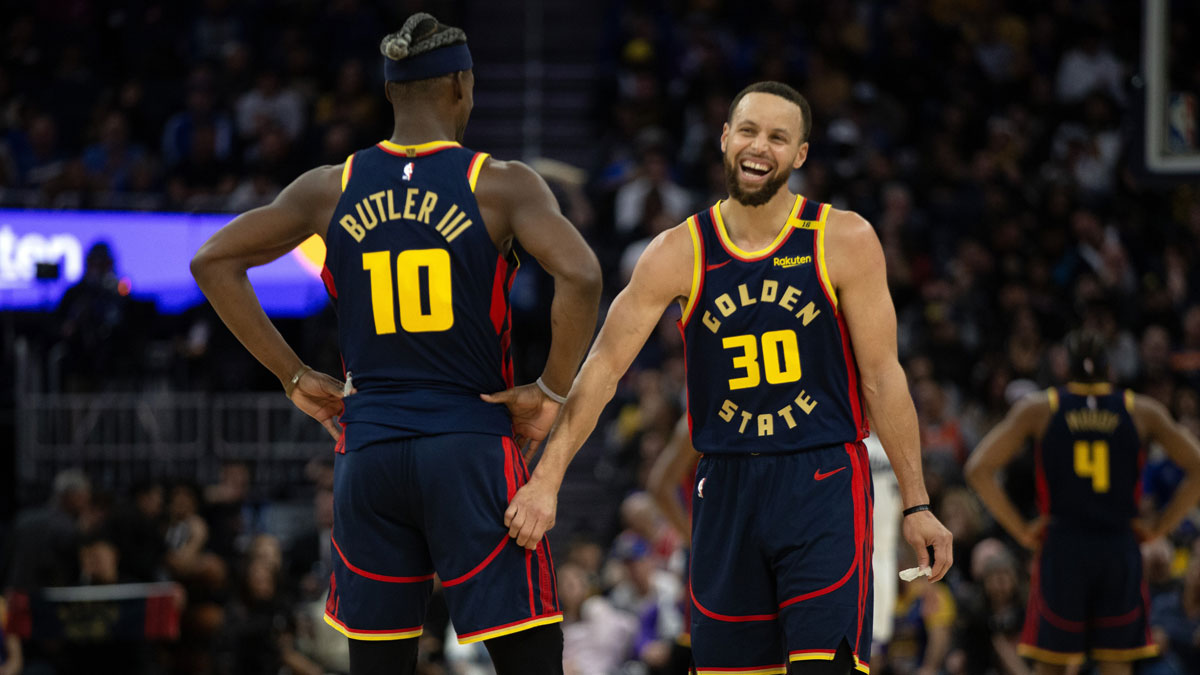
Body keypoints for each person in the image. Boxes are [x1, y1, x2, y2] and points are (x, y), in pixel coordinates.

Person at [489, 80, 954, 675]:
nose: (760, 147)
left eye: (779, 138)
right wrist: (546, 479)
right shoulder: (677, 250)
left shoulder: (843, 238)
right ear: (725, 137)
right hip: (725, 487)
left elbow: (883, 380)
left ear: (801, 155)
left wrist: (917, 503)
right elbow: (603, 366)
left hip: (822, 482)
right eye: (750, 131)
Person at [191, 13, 601, 675]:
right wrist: (550, 389)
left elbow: (213, 261)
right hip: (470, 445)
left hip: (369, 453)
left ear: (390, 94)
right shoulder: (499, 182)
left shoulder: (330, 186)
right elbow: (580, 273)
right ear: (462, 86)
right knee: (529, 661)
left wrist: (293, 376)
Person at [965, 332, 1200, 675]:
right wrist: (1161, 527)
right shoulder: (1141, 411)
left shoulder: (1042, 408)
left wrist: (1022, 531)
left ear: (1065, 369)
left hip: (1063, 548)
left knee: (1053, 665)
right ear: (1111, 369)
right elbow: (1197, 465)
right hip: (1118, 547)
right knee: (1116, 663)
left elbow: (977, 469)